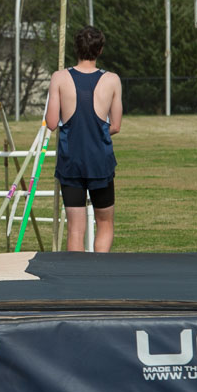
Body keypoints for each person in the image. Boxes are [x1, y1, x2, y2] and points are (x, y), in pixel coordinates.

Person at [44, 25, 122, 252]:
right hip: (100, 161)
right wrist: (94, 133)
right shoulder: (112, 80)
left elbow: (50, 123)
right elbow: (115, 125)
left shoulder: (59, 78)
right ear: (100, 50)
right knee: (104, 223)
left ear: (76, 48)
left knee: (76, 229)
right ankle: (99, 276)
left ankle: (76, 279)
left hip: (71, 162)